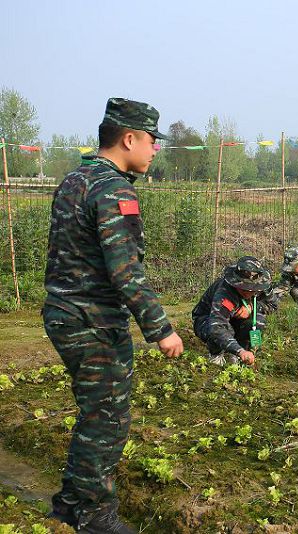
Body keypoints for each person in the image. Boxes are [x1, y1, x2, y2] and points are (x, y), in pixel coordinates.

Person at [42, 98, 184, 533]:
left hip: (64, 313)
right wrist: (161, 329)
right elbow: (125, 272)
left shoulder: (75, 179)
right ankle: (95, 516)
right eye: (152, 140)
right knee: (106, 420)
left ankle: (70, 504)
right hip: (93, 322)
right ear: (129, 139)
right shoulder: (114, 189)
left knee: (95, 414)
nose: (155, 149)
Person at [192, 256, 276, 366]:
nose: (247, 292)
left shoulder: (263, 284)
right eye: (244, 288)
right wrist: (239, 351)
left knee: (258, 320)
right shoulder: (224, 293)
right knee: (224, 330)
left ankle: (240, 351)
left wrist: (252, 308)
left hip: (236, 321)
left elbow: (272, 305)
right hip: (207, 320)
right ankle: (216, 354)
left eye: (252, 289)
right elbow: (216, 326)